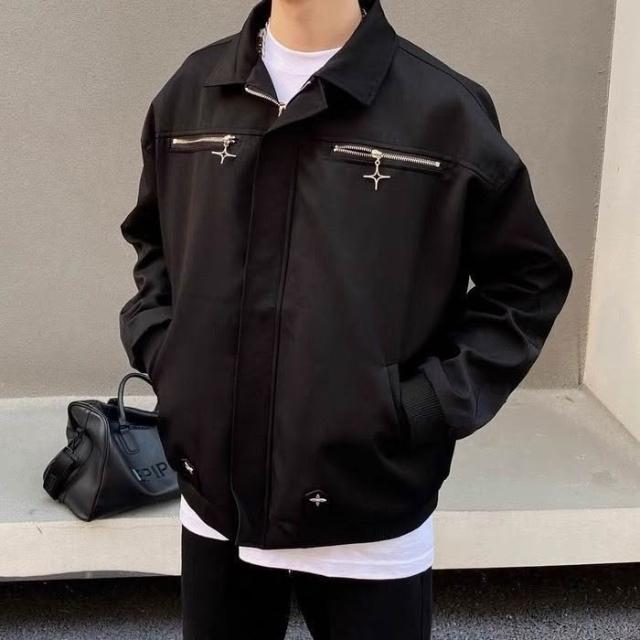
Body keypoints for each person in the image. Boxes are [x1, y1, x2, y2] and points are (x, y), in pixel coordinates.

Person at [118, 0, 573, 638]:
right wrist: (169, 357)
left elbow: (528, 281)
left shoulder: (443, 111)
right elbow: (155, 245)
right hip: (215, 502)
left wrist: (421, 405)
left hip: (369, 511)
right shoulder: (192, 93)